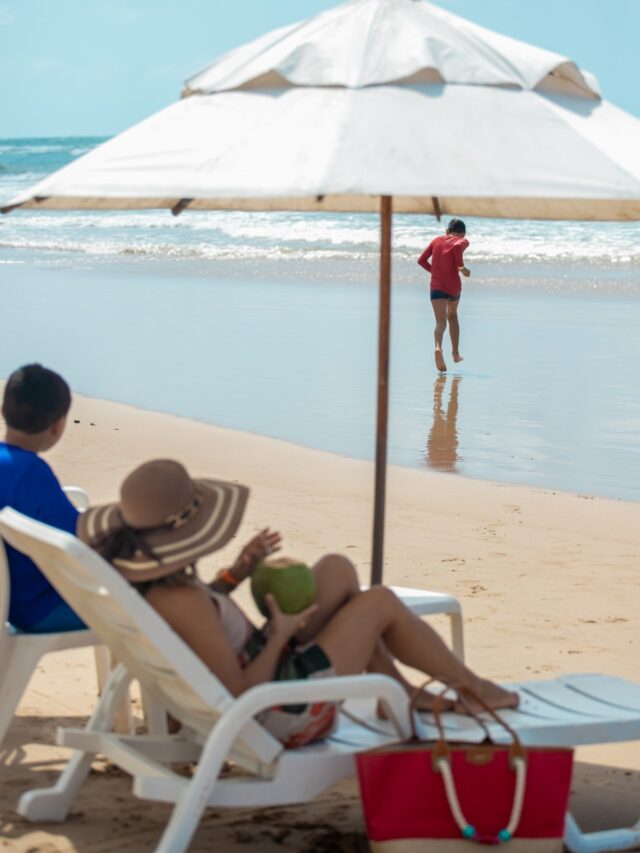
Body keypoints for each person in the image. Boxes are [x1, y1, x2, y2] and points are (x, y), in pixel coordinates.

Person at [79, 458, 518, 749]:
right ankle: (470, 687)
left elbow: (198, 625)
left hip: (270, 679)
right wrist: (283, 635)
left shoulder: (154, 590)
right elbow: (239, 692)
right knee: (378, 602)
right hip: (284, 710)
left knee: (336, 571)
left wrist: (234, 576)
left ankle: (397, 694)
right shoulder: (184, 602)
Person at [0, 364, 85, 632]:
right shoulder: (31, 474)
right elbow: (77, 543)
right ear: (58, 426)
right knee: (141, 601)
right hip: (36, 608)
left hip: (8, 600)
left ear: (3, 411)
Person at [418, 218, 470, 373]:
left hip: (436, 287)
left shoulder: (436, 241)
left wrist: (435, 272)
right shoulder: (462, 240)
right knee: (452, 316)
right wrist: (462, 268)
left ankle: (438, 347)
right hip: (453, 286)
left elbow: (421, 260)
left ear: (447, 231)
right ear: (463, 233)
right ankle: (455, 353)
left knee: (441, 322)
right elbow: (457, 247)